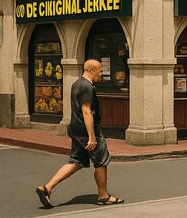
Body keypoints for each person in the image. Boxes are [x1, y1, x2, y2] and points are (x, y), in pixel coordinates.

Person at [35, 59, 124, 208]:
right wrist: (92, 136)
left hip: (76, 129)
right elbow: (86, 111)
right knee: (101, 161)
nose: (101, 74)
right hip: (87, 130)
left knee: (76, 162)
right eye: (99, 71)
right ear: (90, 70)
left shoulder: (77, 84)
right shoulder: (86, 87)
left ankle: (46, 188)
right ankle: (103, 196)